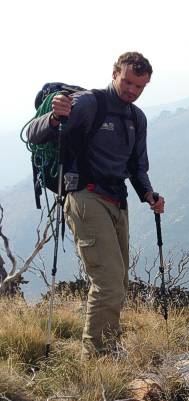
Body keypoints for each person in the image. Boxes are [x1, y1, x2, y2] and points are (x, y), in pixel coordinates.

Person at [26, 52, 165, 358]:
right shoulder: (90, 103)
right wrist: (52, 117)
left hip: (118, 200)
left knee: (120, 281)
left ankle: (108, 345)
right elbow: (32, 133)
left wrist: (149, 195)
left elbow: (136, 167)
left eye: (139, 86)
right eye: (127, 82)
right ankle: (98, 356)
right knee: (108, 280)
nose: (131, 90)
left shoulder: (136, 118)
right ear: (115, 73)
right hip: (85, 196)